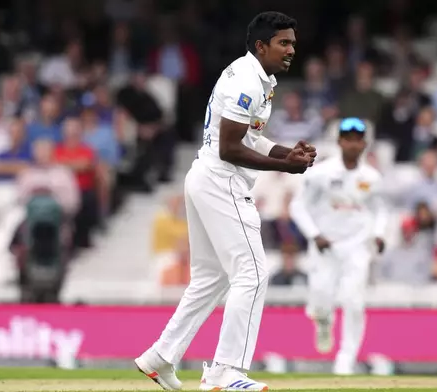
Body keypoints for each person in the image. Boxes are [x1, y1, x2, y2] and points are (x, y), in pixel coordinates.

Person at [134, 12, 315, 391]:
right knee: (252, 274)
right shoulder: (246, 83)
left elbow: (249, 139)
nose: (291, 50)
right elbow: (232, 149)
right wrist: (285, 169)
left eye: (293, 43)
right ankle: (225, 372)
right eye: (284, 43)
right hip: (223, 183)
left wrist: (288, 154)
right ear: (261, 45)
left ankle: (161, 356)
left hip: (207, 178)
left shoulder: (259, 78)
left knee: (210, 278)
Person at [289, 117, 387, 375]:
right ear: (340, 141)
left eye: (358, 139)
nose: (353, 144)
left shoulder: (372, 177)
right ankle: (323, 322)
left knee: (354, 302)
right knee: (321, 300)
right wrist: (315, 234)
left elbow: (380, 210)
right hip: (326, 246)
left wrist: (377, 234)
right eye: (348, 138)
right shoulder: (321, 173)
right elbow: (297, 206)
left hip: (357, 246)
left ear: (364, 143)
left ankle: (346, 360)